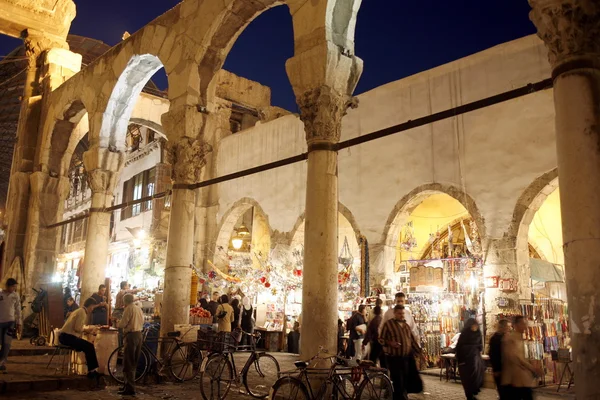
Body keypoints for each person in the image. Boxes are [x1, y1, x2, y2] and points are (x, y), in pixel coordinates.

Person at [380, 305, 421, 400]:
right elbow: (381, 339)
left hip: (405, 358)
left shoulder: (406, 326)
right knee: (397, 380)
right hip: (394, 358)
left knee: (405, 379)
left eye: (403, 313)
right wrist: (390, 343)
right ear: (394, 313)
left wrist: (418, 351)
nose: (401, 315)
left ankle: (400, 395)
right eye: (399, 313)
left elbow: (412, 340)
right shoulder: (388, 324)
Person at [59, 297, 101, 381]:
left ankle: (92, 370)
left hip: (65, 336)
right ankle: (92, 371)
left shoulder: (79, 310)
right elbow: (77, 328)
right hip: (67, 337)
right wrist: (87, 330)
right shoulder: (82, 312)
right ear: (90, 306)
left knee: (87, 346)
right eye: (93, 307)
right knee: (89, 346)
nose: (92, 309)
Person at [502, 316, 539, 400]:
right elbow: (515, 357)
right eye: (523, 323)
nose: (525, 325)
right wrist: (531, 368)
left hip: (521, 377)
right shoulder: (510, 338)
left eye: (525, 323)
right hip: (516, 377)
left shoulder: (519, 337)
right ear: (516, 325)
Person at [117, 294, 144, 396]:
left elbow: (123, 324)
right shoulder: (138, 308)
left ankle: (130, 388)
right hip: (139, 335)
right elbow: (142, 321)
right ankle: (128, 385)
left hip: (131, 335)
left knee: (128, 362)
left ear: (125, 301)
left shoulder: (129, 309)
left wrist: (118, 323)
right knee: (133, 362)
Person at [455, 318, 485, 400]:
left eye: (476, 325)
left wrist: (479, 351)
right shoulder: (465, 334)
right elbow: (459, 346)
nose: (474, 327)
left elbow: (480, 345)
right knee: (467, 378)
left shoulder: (478, 333)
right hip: (465, 359)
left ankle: (473, 392)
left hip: (475, 359)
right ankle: (469, 395)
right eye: (473, 325)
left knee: (476, 376)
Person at [0, 278, 21, 373]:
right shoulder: (1, 294)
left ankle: (2, 363)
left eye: (15, 287)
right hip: (0, 322)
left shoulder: (15, 296)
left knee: (7, 343)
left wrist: (19, 322)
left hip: (10, 322)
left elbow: (18, 309)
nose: (14, 288)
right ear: (7, 286)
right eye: (13, 286)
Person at [489, 319, 510, 399]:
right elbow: (493, 355)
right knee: (503, 392)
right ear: (502, 327)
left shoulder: (505, 337)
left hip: (506, 369)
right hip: (500, 369)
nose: (508, 328)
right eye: (507, 327)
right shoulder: (495, 339)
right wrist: (496, 369)